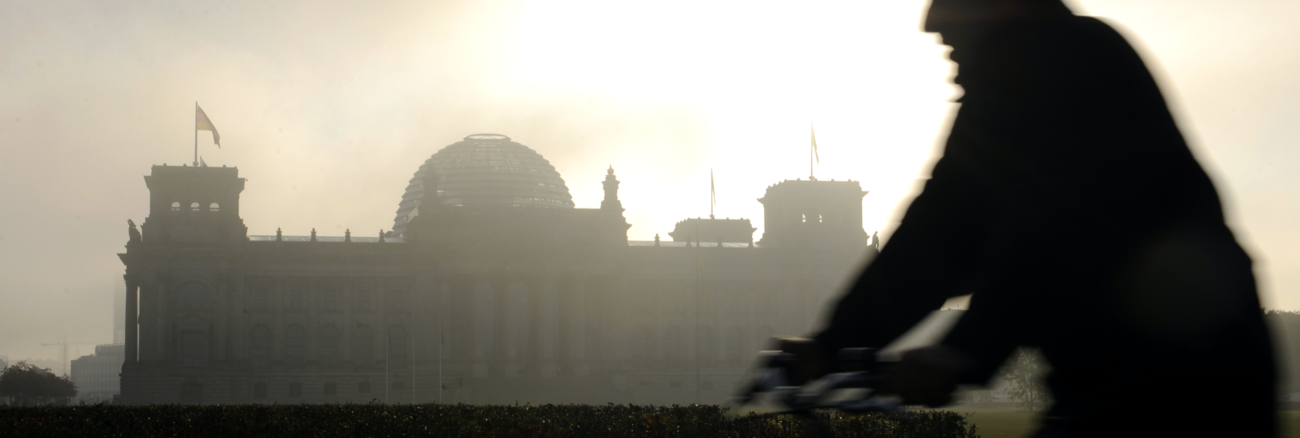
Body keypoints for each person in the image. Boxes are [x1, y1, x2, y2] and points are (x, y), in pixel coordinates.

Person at [777, 1, 1276, 436]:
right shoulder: (998, 99)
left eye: (952, 14)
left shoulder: (1080, 58)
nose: (936, 31)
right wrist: (833, 343)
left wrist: (967, 347)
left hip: (1189, 374)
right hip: (1102, 372)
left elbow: (1060, 225)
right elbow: (939, 231)